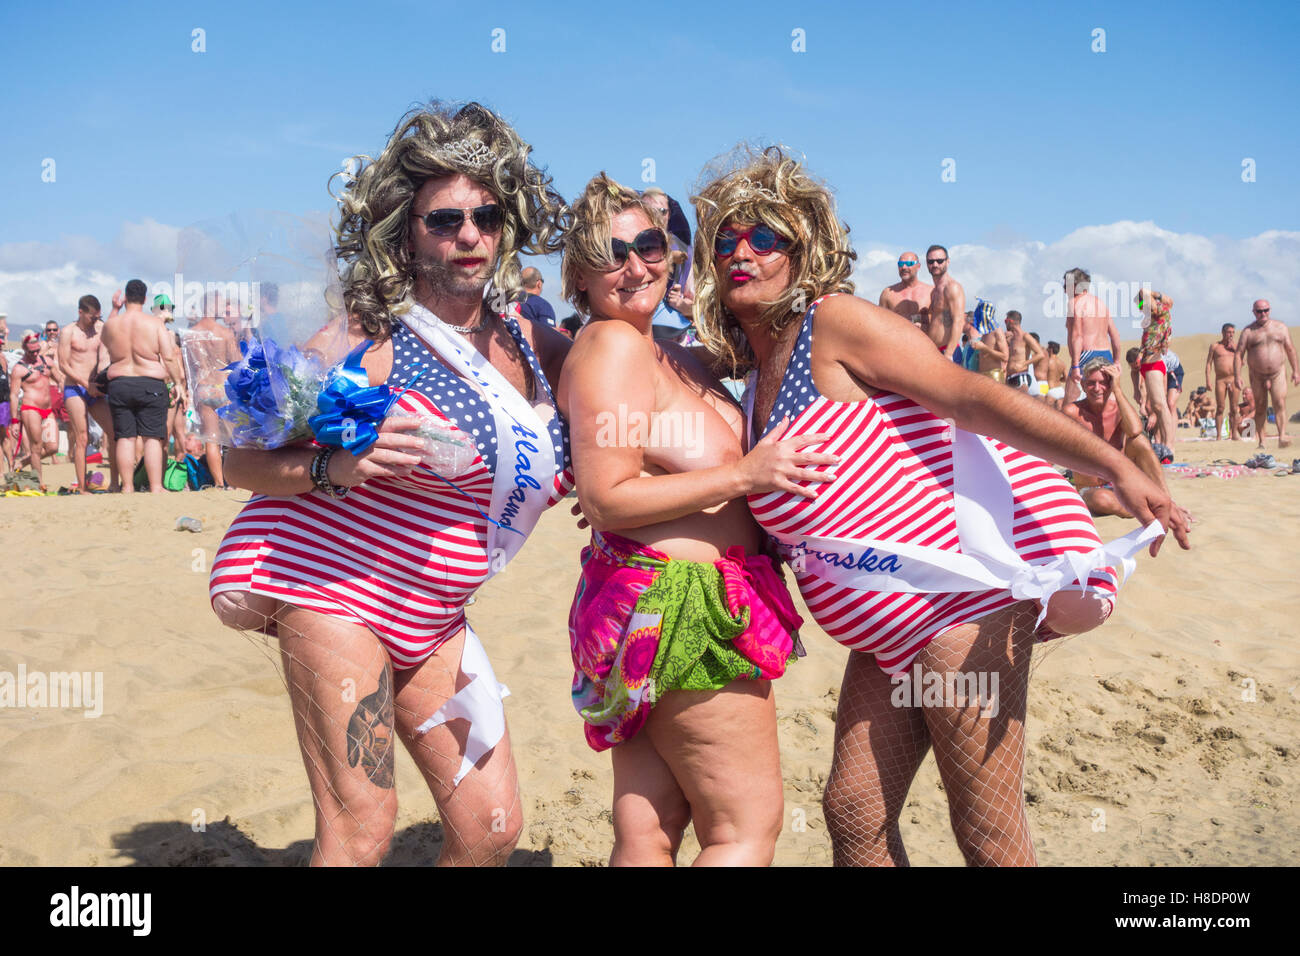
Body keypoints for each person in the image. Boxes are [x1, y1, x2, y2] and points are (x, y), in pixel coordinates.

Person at [690, 146, 1190, 868]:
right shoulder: (754, 383)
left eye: (765, 236)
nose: (743, 251)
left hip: (959, 606)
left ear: (804, 253)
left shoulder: (835, 325)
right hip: (885, 634)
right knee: (853, 813)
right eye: (726, 239)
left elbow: (970, 397)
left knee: (985, 829)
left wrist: (1112, 460)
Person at [208, 101, 573, 867]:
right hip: (333, 590)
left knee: (492, 824)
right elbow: (237, 461)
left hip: (433, 611)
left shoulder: (536, 342)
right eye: (444, 220)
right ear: (403, 230)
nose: (468, 235)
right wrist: (331, 466)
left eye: (486, 214)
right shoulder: (368, 338)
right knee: (362, 826)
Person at [558, 174, 826, 866]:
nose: (634, 264)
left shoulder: (666, 351)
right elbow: (607, 498)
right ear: (578, 272)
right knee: (747, 827)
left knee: (650, 829)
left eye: (649, 244)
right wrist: (743, 474)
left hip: (653, 600)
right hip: (682, 608)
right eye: (609, 252)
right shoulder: (613, 347)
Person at [1062, 359, 1178, 518]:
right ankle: (1148, 513)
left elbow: (1135, 430)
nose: (1097, 388)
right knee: (1102, 499)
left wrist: (1117, 389)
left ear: (1110, 384)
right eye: (1091, 383)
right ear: (1083, 385)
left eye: (1103, 383)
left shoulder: (1118, 410)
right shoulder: (1073, 412)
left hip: (1122, 484)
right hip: (1091, 490)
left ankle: (1167, 502)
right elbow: (1051, 443)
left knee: (1140, 442)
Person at [102, 280, 183, 493]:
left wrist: (115, 310)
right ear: (145, 299)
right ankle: (156, 487)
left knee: (125, 437)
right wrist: (177, 382)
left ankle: (127, 486)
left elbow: (107, 345)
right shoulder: (154, 324)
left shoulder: (111, 324)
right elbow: (168, 356)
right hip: (150, 382)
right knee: (152, 437)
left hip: (119, 383)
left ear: (125, 298)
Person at [57, 295, 118, 492]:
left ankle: (116, 483)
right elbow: (64, 365)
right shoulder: (68, 332)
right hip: (75, 387)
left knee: (114, 433)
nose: (95, 320)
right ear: (80, 312)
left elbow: (113, 329)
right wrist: (85, 383)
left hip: (95, 388)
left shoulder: (99, 328)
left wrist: (116, 308)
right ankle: (82, 486)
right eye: (92, 317)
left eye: (98, 317)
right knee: (82, 437)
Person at [182, 292, 241, 487]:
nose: (223, 309)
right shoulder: (225, 333)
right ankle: (235, 481)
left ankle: (218, 483)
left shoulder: (191, 334)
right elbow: (236, 363)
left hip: (204, 388)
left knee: (212, 439)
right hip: (223, 387)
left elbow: (188, 367)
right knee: (233, 439)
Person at [1235, 299, 1299, 449]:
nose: (1263, 313)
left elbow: (1290, 349)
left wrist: (1296, 370)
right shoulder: (1248, 331)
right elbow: (1239, 354)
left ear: (1270, 310)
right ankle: (1262, 441)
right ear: (1254, 312)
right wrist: (1237, 375)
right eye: (1259, 311)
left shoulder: (1280, 328)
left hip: (1278, 373)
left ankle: (1282, 435)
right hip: (1257, 374)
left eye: (1266, 310)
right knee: (1261, 406)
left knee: (1279, 402)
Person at [1063, 268, 1121, 405]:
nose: (1065, 290)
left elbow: (1077, 336)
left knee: (1069, 405)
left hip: (1086, 355)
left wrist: (1076, 365)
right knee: (1109, 403)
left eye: (1066, 286)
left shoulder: (1074, 303)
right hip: (1106, 355)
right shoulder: (1101, 304)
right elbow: (1115, 335)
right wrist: (1117, 361)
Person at [8, 332, 58, 489]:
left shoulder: (46, 361)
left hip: (47, 409)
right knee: (36, 446)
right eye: (31, 351)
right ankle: (38, 483)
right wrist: (15, 421)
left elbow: (60, 378)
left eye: (37, 350)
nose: (35, 354)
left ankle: (23, 463)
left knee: (52, 447)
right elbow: (14, 396)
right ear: (24, 348)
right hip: (30, 409)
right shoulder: (19, 369)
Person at [1134, 289, 1177, 448]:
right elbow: (1138, 301)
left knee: (1160, 405)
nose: (1142, 307)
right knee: (1156, 407)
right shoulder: (1149, 316)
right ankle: (1164, 445)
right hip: (1146, 362)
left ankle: (1169, 446)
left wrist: (1156, 295)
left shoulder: (1162, 313)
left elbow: (1143, 291)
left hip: (1154, 362)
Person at [922, 244, 964, 354]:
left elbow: (959, 321)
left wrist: (949, 353)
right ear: (926, 263)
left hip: (947, 351)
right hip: (934, 351)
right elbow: (937, 320)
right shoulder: (934, 291)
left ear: (947, 261)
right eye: (931, 261)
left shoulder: (952, 288)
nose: (935, 264)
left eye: (939, 261)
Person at [1205, 323, 1240, 440]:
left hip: (1234, 379)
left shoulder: (1236, 346)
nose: (1231, 335)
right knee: (1220, 407)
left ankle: (1234, 433)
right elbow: (1209, 364)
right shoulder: (1215, 346)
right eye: (1229, 332)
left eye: (1233, 332)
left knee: (1234, 408)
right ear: (1223, 333)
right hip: (1221, 380)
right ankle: (1219, 435)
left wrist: (1235, 350)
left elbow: (1242, 363)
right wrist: (1208, 380)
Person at [878, 251, 932, 325]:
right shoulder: (888, 293)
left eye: (909, 264)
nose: (904, 267)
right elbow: (880, 322)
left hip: (923, 335)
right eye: (901, 264)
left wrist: (922, 319)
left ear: (918, 266)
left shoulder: (930, 292)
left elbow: (939, 322)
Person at [1004, 311, 1045, 392]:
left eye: (1005, 321)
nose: (1005, 324)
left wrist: (1023, 364)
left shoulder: (1025, 336)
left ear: (1010, 321)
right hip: (1009, 378)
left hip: (1020, 377)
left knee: (1020, 403)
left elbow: (1040, 354)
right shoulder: (1012, 339)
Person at [966, 301, 1007, 381]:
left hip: (994, 375)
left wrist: (984, 348)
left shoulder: (997, 331)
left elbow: (1005, 356)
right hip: (983, 375)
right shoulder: (984, 333)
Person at [1044, 341, 1067, 408]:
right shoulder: (1062, 363)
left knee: (1047, 413)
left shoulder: (1047, 361)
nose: (1046, 349)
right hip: (1060, 390)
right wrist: (1058, 379)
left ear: (1051, 349)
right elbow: (1066, 378)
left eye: (1047, 347)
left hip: (1050, 390)